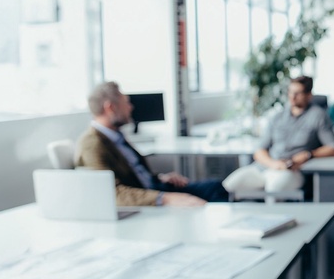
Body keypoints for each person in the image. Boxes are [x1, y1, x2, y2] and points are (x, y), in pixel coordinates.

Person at [75, 82, 229, 206]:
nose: (131, 107)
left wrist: (161, 177)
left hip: (155, 187)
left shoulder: (116, 136)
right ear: (110, 107)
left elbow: (135, 172)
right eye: (126, 102)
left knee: (215, 187)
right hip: (146, 197)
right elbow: (110, 193)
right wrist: (165, 198)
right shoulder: (92, 144)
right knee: (211, 194)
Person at [223, 76, 334, 195]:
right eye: (290, 92)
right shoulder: (277, 116)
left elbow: (333, 148)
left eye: (298, 93)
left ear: (309, 95)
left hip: (292, 170)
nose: (292, 97)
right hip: (266, 166)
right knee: (229, 185)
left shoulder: (318, 116)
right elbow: (259, 151)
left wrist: (308, 155)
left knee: (274, 189)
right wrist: (274, 164)